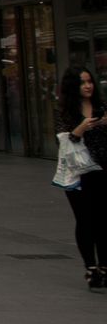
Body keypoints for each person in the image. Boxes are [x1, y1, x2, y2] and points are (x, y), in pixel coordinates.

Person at [57, 67, 107, 290]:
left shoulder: (101, 108)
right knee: (85, 220)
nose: (88, 86)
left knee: (104, 221)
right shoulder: (66, 112)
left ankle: (105, 266)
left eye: (89, 81)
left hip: (103, 170)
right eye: (82, 82)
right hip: (78, 174)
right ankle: (91, 267)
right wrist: (81, 128)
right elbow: (63, 141)